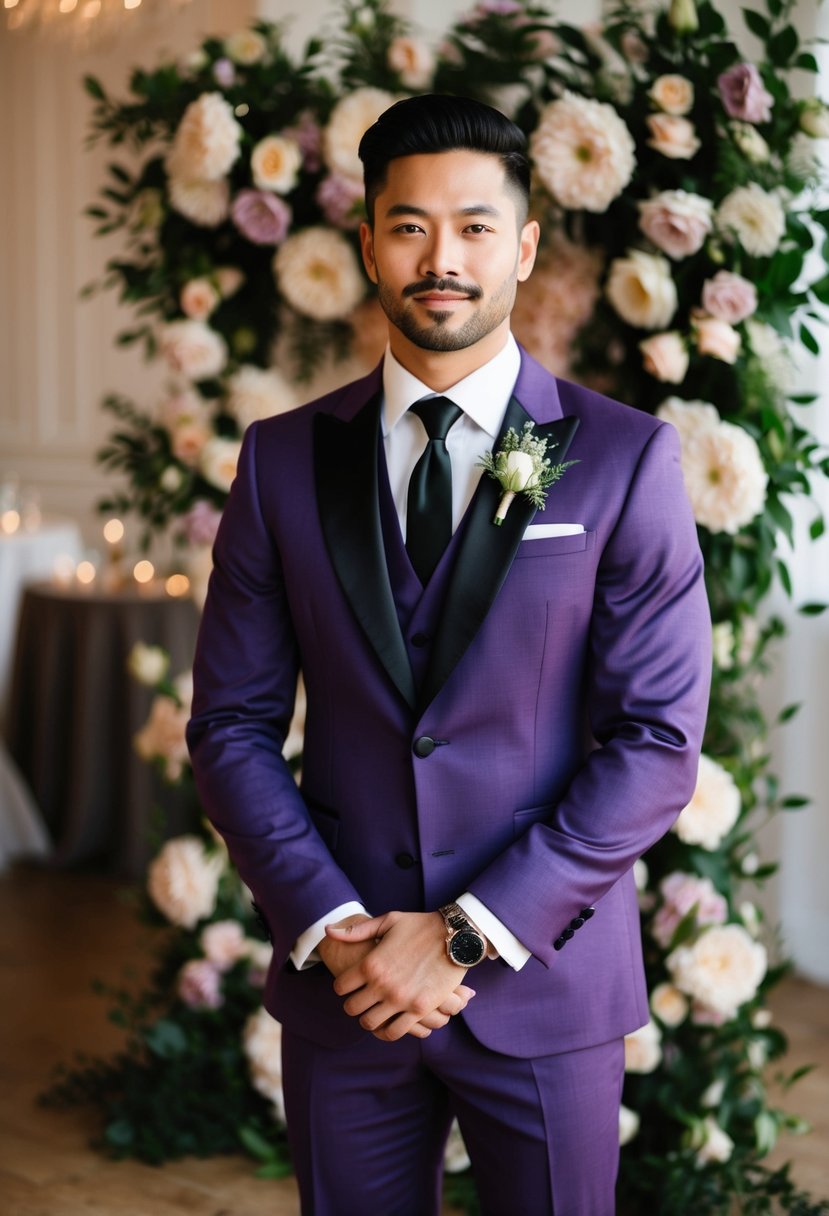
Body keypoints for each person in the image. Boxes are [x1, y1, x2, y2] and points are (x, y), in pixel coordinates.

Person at [187, 94, 712, 1216]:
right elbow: (230, 724)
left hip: (545, 986)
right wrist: (335, 930)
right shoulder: (281, 462)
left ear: (523, 247)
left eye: (476, 226)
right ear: (369, 244)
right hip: (349, 984)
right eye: (411, 225)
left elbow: (656, 743)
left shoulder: (623, 462)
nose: (443, 257)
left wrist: (468, 936)